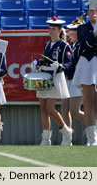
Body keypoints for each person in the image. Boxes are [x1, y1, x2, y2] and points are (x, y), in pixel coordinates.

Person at [31, 17, 73, 146]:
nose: (50, 31)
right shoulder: (47, 44)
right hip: (44, 75)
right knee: (43, 108)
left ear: (60, 30)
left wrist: (60, 66)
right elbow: (46, 60)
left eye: (53, 29)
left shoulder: (64, 45)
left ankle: (66, 130)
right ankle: (46, 138)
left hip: (55, 77)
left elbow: (69, 62)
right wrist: (38, 62)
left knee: (50, 108)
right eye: (49, 29)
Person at [72, 0, 97, 146]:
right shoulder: (82, 28)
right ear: (87, 13)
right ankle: (92, 138)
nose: (94, 13)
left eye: (96, 10)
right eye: (91, 11)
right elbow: (85, 47)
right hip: (87, 64)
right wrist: (94, 33)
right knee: (88, 102)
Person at [63, 22, 85, 144]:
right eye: (70, 31)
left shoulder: (80, 46)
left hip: (77, 80)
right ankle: (67, 138)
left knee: (75, 110)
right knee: (64, 109)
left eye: (73, 32)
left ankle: (92, 127)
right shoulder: (72, 46)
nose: (70, 34)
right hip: (68, 79)